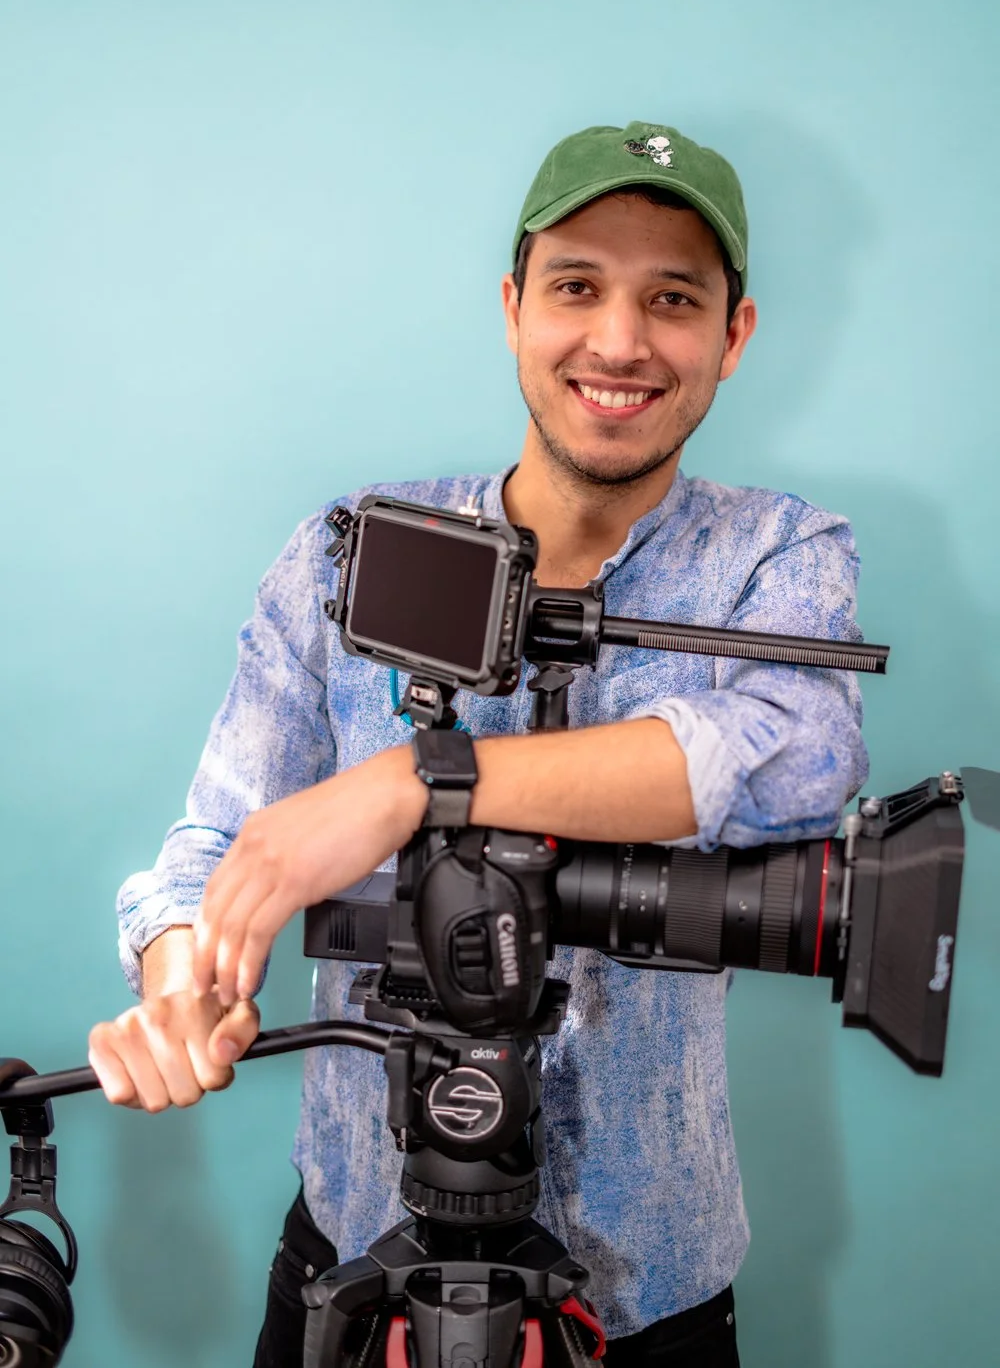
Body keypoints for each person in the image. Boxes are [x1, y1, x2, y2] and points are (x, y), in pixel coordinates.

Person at [89, 121, 868, 1367]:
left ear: (734, 335)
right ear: (513, 307)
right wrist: (187, 978)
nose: (618, 342)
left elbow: (795, 755)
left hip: (647, 1291)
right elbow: (210, 856)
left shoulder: (778, 553)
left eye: (672, 299)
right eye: (575, 287)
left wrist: (415, 785)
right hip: (356, 1256)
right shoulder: (348, 550)